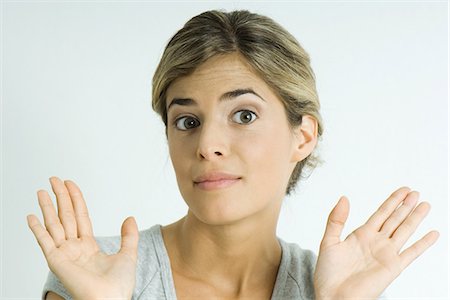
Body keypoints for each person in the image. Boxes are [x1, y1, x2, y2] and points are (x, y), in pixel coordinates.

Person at [27, 9, 439, 300]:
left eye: (243, 115)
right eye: (187, 121)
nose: (207, 145)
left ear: (303, 136)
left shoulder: (345, 289)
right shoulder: (91, 276)